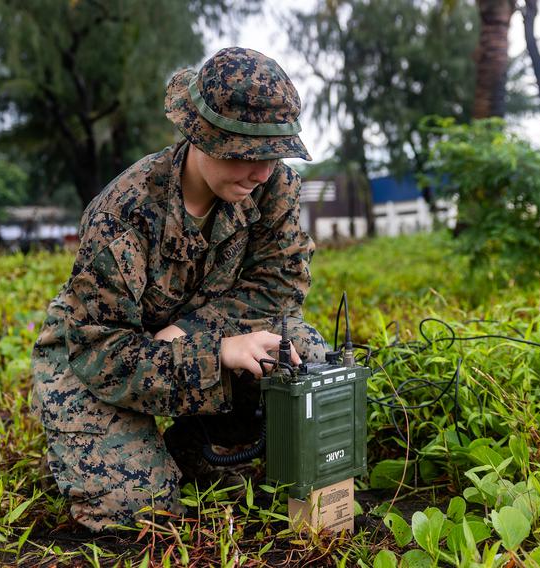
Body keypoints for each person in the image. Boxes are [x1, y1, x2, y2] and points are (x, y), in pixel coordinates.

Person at [30, 47, 328, 531]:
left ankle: (193, 445)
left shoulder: (273, 188)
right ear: (200, 137)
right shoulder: (124, 214)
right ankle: (84, 441)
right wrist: (216, 354)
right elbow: (101, 353)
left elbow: (280, 284)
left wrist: (192, 335)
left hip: (190, 341)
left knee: (303, 354)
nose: (263, 172)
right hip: (97, 359)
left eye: (275, 154)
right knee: (137, 513)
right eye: (248, 156)